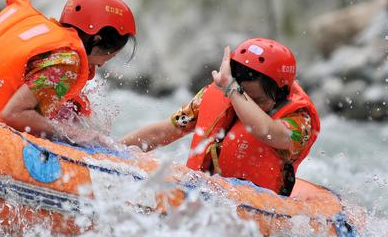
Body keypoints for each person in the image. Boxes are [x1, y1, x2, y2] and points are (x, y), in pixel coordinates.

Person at [121, 38, 320, 195]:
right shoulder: (216, 94)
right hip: (205, 193)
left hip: (257, 206)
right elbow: (166, 130)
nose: (244, 104)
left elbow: (267, 132)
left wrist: (234, 91)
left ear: (281, 93)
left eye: (255, 99)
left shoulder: (300, 120)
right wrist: (115, 149)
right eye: (243, 95)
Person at [0, 0, 136, 142]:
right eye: (110, 55)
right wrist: (75, 136)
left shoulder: (42, 35)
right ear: (97, 41)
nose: (102, 65)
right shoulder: (67, 62)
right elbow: (14, 114)